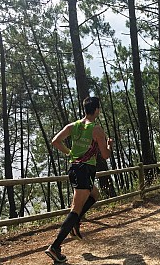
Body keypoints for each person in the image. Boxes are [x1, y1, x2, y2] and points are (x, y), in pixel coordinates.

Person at [45, 96, 113, 263]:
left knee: (95, 195)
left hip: (75, 169)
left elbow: (55, 141)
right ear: (96, 110)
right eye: (99, 108)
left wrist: (70, 153)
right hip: (85, 170)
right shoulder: (97, 129)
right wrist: (110, 144)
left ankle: (75, 223)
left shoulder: (73, 126)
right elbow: (105, 155)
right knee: (75, 209)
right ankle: (55, 246)